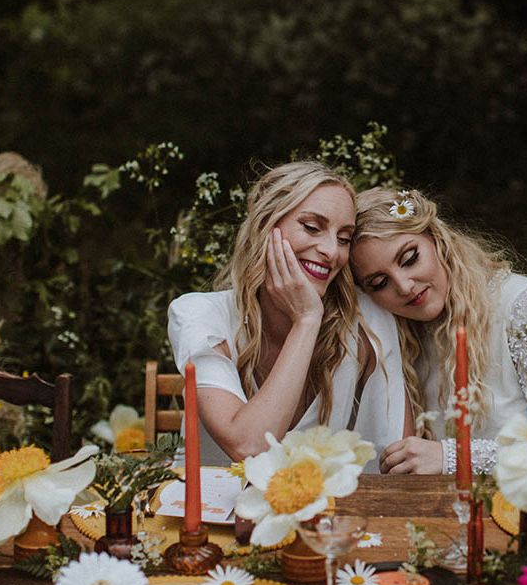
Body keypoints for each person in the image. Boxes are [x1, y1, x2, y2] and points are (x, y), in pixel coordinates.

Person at [350, 187, 527, 475]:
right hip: (462, 511)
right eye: (380, 283)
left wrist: (454, 457)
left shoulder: (524, 306)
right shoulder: (399, 339)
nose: (404, 286)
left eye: (409, 259)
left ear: (436, 239)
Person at [168, 161, 406, 471]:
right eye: (311, 227)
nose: (331, 251)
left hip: (327, 516)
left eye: (344, 238)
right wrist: (306, 320)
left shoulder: (365, 322)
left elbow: (398, 460)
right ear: (266, 226)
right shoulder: (199, 315)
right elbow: (248, 445)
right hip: (214, 516)